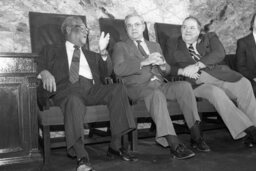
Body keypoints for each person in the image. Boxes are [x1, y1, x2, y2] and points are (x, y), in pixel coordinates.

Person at [37, 16, 137, 171]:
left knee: (118, 88)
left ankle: (115, 146)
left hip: (91, 90)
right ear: (69, 29)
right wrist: (44, 73)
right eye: (82, 28)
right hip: (67, 90)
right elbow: (39, 66)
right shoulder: (51, 50)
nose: (86, 32)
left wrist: (103, 51)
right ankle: (82, 157)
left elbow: (107, 73)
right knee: (73, 100)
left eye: (87, 29)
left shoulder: (91, 55)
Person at [112, 13, 210, 160]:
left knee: (184, 86)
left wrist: (163, 65)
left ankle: (196, 136)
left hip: (159, 84)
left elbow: (167, 70)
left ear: (144, 26)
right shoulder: (121, 46)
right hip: (137, 88)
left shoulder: (154, 45)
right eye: (129, 25)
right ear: (126, 29)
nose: (133, 28)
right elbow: (118, 70)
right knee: (156, 95)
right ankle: (174, 144)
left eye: (137, 24)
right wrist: (144, 61)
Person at [166, 16, 256, 148]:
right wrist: (182, 71)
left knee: (244, 84)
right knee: (216, 93)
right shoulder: (173, 44)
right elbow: (167, 68)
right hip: (198, 83)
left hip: (222, 76)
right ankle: (250, 131)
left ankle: (254, 129)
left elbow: (220, 53)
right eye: (184, 27)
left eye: (192, 27)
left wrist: (198, 65)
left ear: (199, 30)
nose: (187, 30)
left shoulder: (210, 37)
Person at [236, 13, 256, 95]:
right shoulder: (243, 42)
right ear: (252, 23)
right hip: (251, 80)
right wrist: (254, 78)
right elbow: (240, 67)